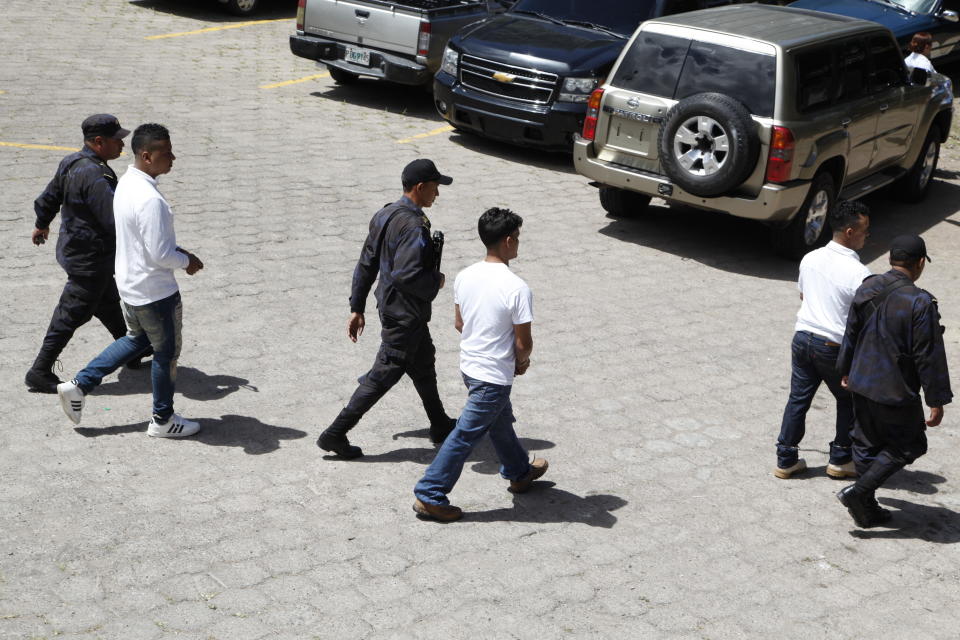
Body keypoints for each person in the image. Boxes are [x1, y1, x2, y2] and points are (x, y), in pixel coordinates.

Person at [56, 123, 205, 438]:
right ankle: (163, 420)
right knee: (165, 354)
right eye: (166, 153)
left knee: (137, 340)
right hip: (155, 292)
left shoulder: (125, 182)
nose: (173, 158)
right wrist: (187, 260)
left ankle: (78, 385)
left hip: (131, 286)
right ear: (147, 156)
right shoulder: (151, 200)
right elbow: (160, 254)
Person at [413, 207, 547, 522]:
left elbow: (460, 323)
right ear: (509, 241)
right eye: (517, 238)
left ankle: (519, 471)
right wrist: (522, 362)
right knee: (464, 436)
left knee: (499, 422)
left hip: (470, 368)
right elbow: (523, 342)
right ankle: (430, 493)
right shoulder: (517, 288)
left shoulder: (465, 275)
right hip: (493, 376)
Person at [318, 159, 457, 459]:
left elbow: (366, 262)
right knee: (384, 375)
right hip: (404, 314)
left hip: (396, 309)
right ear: (420, 187)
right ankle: (335, 433)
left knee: (423, 361)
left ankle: (440, 424)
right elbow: (406, 275)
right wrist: (436, 280)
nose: (438, 194)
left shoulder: (385, 214)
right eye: (435, 187)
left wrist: (357, 307)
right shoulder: (413, 227)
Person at [26, 114, 148, 394]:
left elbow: (49, 196)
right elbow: (113, 219)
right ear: (98, 142)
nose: (122, 145)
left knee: (107, 301)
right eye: (117, 140)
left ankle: (130, 350)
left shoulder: (71, 162)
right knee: (70, 314)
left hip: (76, 250)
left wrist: (41, 223)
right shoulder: (95, 175)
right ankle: (40, 370)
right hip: (90, 259)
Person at [836, 234, 952, 528]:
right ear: (921, 262)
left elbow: (851, 332)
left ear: (890, 259)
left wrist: (846, 370)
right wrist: (936, 400)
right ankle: (858, 494)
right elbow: (929, 355)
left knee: (864, 444)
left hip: (861, 381)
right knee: (909, 445)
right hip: (894, 391)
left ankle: (866, 507)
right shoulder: (921, 302)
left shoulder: (868, 287)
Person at [774, 201, 871, 479]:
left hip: (802, 338)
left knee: (798, 399)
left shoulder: (811, 258)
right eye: (866, 231)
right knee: (849, 400)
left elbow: (804, 296)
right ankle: (841, 458)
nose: (867, 236)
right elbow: (863, 319)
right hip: (832, 347)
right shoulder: (859, 273)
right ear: (850, 231)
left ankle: (786, 459)